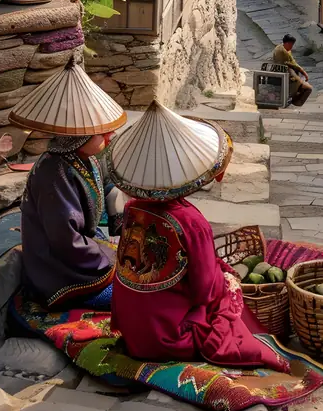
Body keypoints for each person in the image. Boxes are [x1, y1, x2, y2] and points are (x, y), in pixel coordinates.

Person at [109, 100, 294, 370]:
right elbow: (206, 290)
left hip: (131, 330)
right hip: (169, 338)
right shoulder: (191, 221)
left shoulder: (132, 208)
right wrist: (227, 277)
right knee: (227, 291)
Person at [9, 57, 127, 310]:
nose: (110, 135)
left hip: (83, 255)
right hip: (60, 271)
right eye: (101, 131)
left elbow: (107, 192)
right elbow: (65, 239)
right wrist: (110, 256)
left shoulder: (85, 160)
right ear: (79, 135)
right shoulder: (55, 173)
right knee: (137, 297)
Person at [273, 33, 312, 106]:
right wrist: (302, 72)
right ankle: (296, 101)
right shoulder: (282, 51)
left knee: (302, 81)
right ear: (287, 43)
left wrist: (301, 71)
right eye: (291, 44)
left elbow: (293, 62)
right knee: (308, 87)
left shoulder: (283, 48)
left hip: (286, 72)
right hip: (284, 73)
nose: (292, 46)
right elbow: (291, 64)